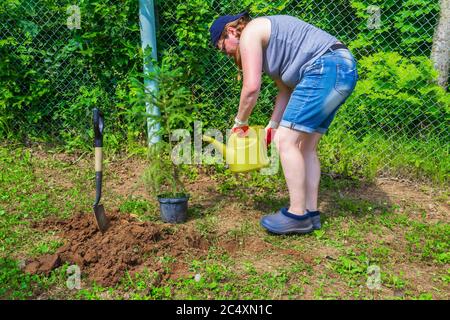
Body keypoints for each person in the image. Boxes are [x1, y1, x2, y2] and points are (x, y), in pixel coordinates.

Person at [209, 12, 358, 235]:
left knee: (285, 142)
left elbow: (251, 88)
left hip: (324, 68)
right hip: (343, 68)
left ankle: (297, 215)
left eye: (223, 47)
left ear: (231, 31)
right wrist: (272, 126)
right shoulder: (269, 43)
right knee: (304, 147)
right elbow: (285, 90)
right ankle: (310, 213)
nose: (227, 54)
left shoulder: (250, 33)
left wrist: (239, 122)